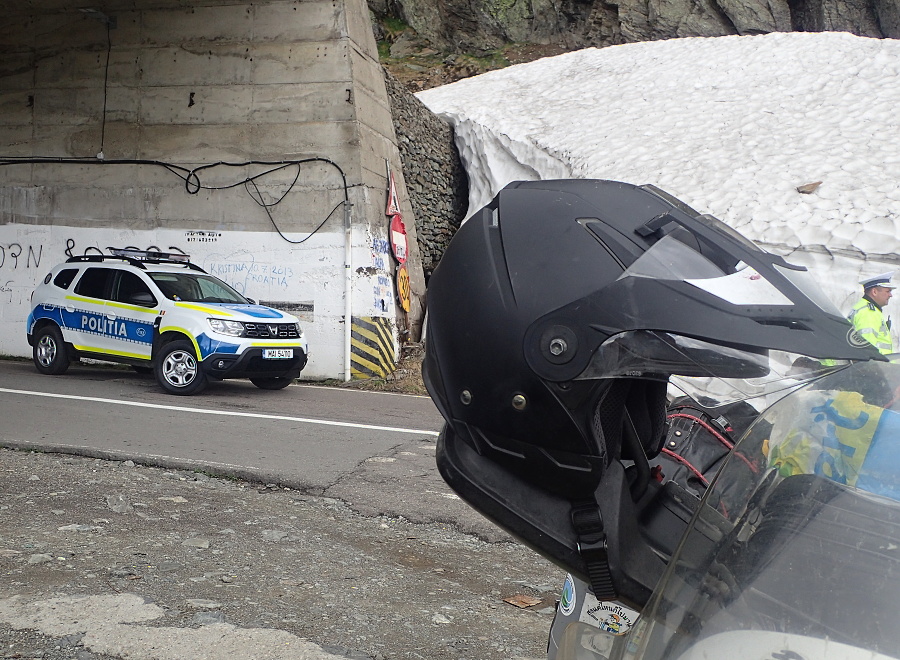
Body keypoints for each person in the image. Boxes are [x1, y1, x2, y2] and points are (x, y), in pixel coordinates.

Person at [849, 271, 896, 355]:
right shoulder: (868, 312)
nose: (890, 295)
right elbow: (867, 349)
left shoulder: (866, 309)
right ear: (874, 292)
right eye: (887, 291)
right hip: (875, 366)